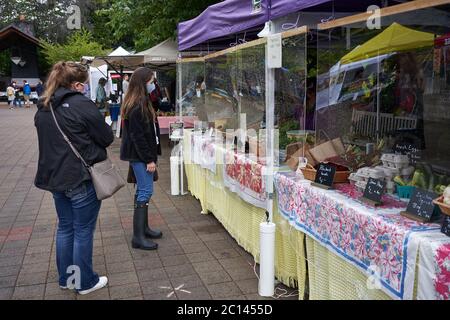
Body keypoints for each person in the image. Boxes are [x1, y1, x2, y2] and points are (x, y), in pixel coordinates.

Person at [34, 61, 114, 295]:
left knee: (66, 228)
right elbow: (107, 137)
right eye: (85, 84)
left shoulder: (44, 106)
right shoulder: (81, 104)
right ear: (77, 84)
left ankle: (67, 279)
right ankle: (85, 282)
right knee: (82, 231)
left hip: (55, 178)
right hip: (80, 177)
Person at [120, 67, 162, 250]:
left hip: (141, 155)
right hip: (140, 156)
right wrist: (149, 160)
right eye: (152, 82)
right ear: (143, 83)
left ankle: (143, 229)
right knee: (145, 192)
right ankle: (138, 236)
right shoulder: (137, 105)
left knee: (143, 191)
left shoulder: (141, 101)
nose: (153, 85)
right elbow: (138, 137)